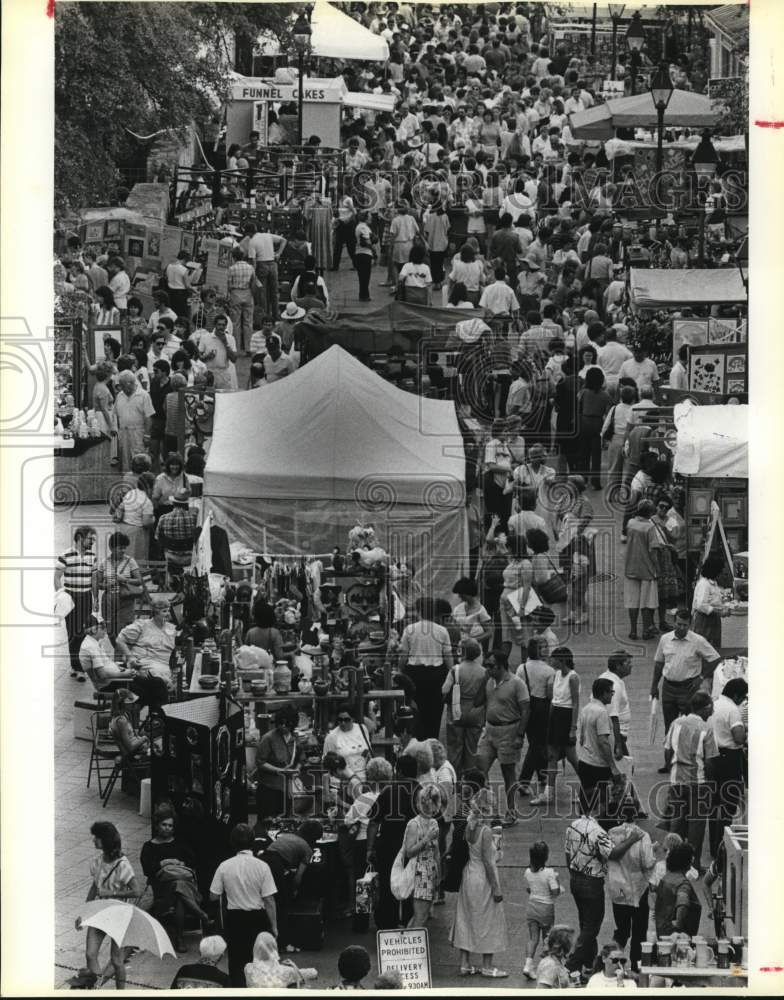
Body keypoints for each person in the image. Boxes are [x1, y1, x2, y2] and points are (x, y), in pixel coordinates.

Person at [449, 768, 509, 978]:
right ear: (487, 807)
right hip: (482, 877)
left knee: (465, 917)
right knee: (489, 920)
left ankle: (464, 963)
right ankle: (487, 965)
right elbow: (490, 862)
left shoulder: (470, 828)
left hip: (468, 874)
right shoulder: (485, 831)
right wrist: (496, 888)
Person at [650, 608, 721, 773]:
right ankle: (668, 763)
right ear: (674, 622)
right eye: (679, 624)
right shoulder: (665, 639)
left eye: (685, 625)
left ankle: (689, 760)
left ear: (690, 625)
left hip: (689, 688)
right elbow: (659, 663)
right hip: (668, 687)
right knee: (670, 726)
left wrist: (702, 677)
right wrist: (654, 686)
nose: (681, 628)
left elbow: (715, 658)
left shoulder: (698, 641)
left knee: (690, 725)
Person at [209, 823, 278, 987]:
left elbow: (213, 896)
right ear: (252, 841)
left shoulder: (224, 866)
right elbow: (269, 900)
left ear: (232, 843)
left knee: (237, 963)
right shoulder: (262, 866)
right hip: (257, 919)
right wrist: (274, 926)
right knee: (260, 961)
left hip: (235, 920)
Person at [75, 822, 140, 989]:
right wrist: (84, 913)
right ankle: (97, 989)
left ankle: (120, 992)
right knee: (90, 954)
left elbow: (136, 890)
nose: (93, 840)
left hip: (119, 915)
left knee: (117, 960)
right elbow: (94, 887)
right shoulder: (97, 862)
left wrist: (113, 894)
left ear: (106, 840)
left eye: (97, 837)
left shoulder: (122, 864)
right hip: (100, 912)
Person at [141, 803, 208, 952]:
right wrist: (163, 863)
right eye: (164, 825)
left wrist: (180, 862)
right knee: (178, 891)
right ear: (157, 825)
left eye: (170, 826)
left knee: (179, 888)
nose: (167, 828)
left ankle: (179, 937)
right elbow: (147, 870)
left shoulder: (180, 843)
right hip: (162, 888)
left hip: (184, 885)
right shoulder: (149, 847)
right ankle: (189, 926)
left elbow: (193, 861)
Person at [474, 647, 530, 827]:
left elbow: (526, 710)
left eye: (490, 666)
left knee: (508, 774)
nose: (487, 669)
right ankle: (490, 808)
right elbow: (477, 702)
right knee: (481, 769)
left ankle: (511, 812)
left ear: (500, 666)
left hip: (509, 730)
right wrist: (483, 681)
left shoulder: (516, 683)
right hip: (489, 730)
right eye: (486, 666)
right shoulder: (489, 682)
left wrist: (520, 735)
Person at [664, 691, 717, 870]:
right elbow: (709, 761)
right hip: (698, 783)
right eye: (711, 707)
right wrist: (711, 783)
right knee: (696, 825)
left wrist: (671, 768)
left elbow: (667, 750)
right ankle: (692, 863)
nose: (712, 710)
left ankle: (673, 860)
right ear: (706, 707)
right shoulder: (706, 729)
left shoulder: (676, 723)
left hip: (676, 779)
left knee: (677, 821)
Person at [366, 754, 420, 930]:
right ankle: (409, 922)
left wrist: (369, 849)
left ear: (399, 771)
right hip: (415, 848)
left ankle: (387, 924)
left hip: (388, 847)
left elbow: (373, 823)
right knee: (411, 886)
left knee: (388, 887)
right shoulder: (423, 792)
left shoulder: (389, 791)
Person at [258, 820, 323, 954]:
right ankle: (283, 943)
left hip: (262, 861)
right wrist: (294, 890)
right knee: (282, 903)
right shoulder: (307, 848)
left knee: (264, 900)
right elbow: (299, 876)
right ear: (314, 838)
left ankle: (264, 939)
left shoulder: (286, 837)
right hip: (276, 865)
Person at [564, 804, 612, 975]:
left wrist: (572, 872)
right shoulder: (599, 832)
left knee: (585, 923)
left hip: (575, 878)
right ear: (596, 808)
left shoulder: (572, 826)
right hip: (592, 881)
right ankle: (572, 963)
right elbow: (612, 854)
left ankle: (588, 963)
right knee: (592, 926)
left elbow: (568, 853)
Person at [341, 756, 391, 919]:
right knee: (382, 879)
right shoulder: (391, 796)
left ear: (370, 776)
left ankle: (361, 918)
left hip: (362, 842)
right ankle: (382, 913)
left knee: (362, 880)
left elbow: (348, 820)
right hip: (383, 842)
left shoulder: (365, 798)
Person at [397, 597, 453, 740]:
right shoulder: (442, 631)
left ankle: (417, 740)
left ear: (419, 611)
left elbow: (404, 655)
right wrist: (452, 675)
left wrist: (399, 672)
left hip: (414, 675)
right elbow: (448, 657)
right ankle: (431, 740)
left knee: (415, 710)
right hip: (436, 675)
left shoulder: (409, 630)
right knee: (434, 711)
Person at [531, 647, 580, 806]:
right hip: (555, 716)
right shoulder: (557, 674)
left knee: (572, 757)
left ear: (561, 660)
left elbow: (575, 702)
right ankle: (548, 794)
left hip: (566, 717)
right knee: (552, 756)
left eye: (554, 659)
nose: (550, 661)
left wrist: (573, 727)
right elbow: (554, 699)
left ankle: (589, 788)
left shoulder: (573, 677)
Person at [606, 819, 656, 972]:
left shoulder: (611, 833)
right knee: (639, 931)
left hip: (618, 890)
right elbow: (647, 863)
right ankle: (635, 966)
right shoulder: (644, 836)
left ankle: (613, 963)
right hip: (637, 890)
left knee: (621, 930)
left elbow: (608, 855)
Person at [709, 678, 748, 859]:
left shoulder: (714, 704)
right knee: (728, 804)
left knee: (714, 803)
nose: (743, 700)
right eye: (743, 696)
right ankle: (722, 847)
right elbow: (739, 738)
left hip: (712, 757)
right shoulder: (732, 709)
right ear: (736, 695)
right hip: (730, 759)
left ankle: (713, 845)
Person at [577, 677, 623, 821]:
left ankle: (583, 822)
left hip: (585, 761)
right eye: (611, 692)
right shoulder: (601, 712)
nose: (612, 695)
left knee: (586, 795)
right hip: (598, 764)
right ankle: (602, 824)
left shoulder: (586, 709)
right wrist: (613, 766)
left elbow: (582, 737)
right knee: (605, 797)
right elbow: (603, 742)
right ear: (603, 693)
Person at [55, 525, 97, 680]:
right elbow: (56, 577)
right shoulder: (66, 555)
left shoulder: (92, 556)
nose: (92, 542)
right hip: (71, 597)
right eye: (90, 539)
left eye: (93, 539)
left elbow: (93, 579)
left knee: (81, 632)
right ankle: (77, 667)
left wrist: (95, 598)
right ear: (80, 538)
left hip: (86, 597)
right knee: (72, 632)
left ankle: (76, 666)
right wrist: (61, 596)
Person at [441, 637, 487, 775]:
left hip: (457, 711)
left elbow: (444, 690)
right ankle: (470, 778)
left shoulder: (456, 670)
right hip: (476, 713)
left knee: (454, 748)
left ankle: (455, 777)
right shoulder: (484, 671)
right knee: (472, 748)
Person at [516, 636, 555, 796]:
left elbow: (518, 687)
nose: (546, 649)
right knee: (537, 744)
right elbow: (550, 694)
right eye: (543, 646)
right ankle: (524, 781)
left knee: (535, 742)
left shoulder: (522, 667)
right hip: (542, 707)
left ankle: (542, 775)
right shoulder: (549, 671)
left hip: (525, 705)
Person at [115, 596, 176, 696]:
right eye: (164, 611)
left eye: (168, 611)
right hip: (143, 663)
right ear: (155, 613)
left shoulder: (171, 629)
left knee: (168, 679)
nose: (168, 614)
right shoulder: (142, 625)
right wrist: (130, 658)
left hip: (162, 665)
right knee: (159, 679)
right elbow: (120, 640)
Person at [402, 783, 441, 928]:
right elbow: (409, 851)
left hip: (430, 872)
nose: (429, 806)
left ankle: (409, 946)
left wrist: (439, 877)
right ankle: (410, 948)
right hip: (419, 872)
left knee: (421, 916)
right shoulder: (414, 824)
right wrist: (426, 839)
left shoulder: (434, 823)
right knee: (420, 916)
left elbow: (436, 852)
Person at [624, 499, 662, 640]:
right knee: (647, 602)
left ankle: (633, 630)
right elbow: (653, 551)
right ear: (650, 513)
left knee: (632, 602)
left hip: (631, 567)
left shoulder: (631, 523)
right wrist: (657, 568)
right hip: (647, 569)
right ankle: (646, 630)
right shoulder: (650, 527)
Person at [523, 841, 562, 979]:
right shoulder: (550, 873)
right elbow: (556, 892)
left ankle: (528, 965)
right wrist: (557, 880)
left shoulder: (527, 872)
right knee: (547, 939)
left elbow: (530, 888)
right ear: (546, 856)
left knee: (533, 938)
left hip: (532, 907)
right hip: (546, 909)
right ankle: (545, 968)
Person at [255, 704, 301, 823]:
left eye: (287, 724)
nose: (283, 726)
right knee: (267, 823)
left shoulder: (295, 739)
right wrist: (279, 770)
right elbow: (260, 762)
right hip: (269, 789)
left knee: (284, 822)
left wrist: (297, 770)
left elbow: (301, 759)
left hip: (286, 789)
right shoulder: (268, 738)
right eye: (281, 723)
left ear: (293, 724)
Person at [95, 531, 145, 638]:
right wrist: (107, 585)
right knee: (110, 631)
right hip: (109, 602)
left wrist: (125, 580)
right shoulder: (104, 563)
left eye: (124, 547)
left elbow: (139, 581)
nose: (123, 550)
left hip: (126, 600)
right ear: (112, 548)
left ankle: (120, 653)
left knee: (125, 632)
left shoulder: (130, 561)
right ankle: (118, 652)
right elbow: (98, 584)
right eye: (120, 548)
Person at [653, 842, 702, 937]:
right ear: (685, 861)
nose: (693, 860)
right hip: (679, 938)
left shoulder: (666, 878)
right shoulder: (683, 884)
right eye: (691, 857)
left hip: (662, 932)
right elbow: (683, 904)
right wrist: (678, 926)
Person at [155, 488, 199, 588]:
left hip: (171, 558)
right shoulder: (194, 518)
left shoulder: (163, 518)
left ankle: (171, 583)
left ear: (173, 503)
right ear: (187, 504)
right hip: (190, 558)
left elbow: (158, 538)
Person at [114, 369, 154, 471]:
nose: (121, 388)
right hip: (124, 433)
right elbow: (117, 415)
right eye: (121, 385)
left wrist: (147, 435)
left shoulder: (144, 395)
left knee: (139, 460)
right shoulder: (120, 396)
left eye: (123, 385)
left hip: (138, 433)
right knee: (125, 461)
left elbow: (148, 416)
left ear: (130, 383)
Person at [246, 224, 287, 320]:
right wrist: (278, 254)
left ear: (249, 233)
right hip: (273, 264)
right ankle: (276, 315)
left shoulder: (252, 242)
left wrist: (253, 275)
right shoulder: (268, 235)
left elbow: (253, 261)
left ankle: (265, 316)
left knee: (262, 293)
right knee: (274, 291)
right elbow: (284, 240)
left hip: (261, 265)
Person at [323, 704, 371, 784]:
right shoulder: (331, 737)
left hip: (365, 779)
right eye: (340, 720)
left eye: (346, 719)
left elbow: (368, 751)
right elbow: (327, 762)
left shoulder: (362, 729)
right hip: (344, 781)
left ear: (353, 718)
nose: (343, 723)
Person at [691, 554, 731, 648]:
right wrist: (719, 612)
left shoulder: (713, 583)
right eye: (721, 571)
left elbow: (714, 600)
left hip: (713, 619)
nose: (722, 574)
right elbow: (701, 605)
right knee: (704, 646)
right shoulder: (704, 584)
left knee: (713, 646)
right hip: (704, 621)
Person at [227, 248, 256, 354]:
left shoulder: (231, 268)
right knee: (248, 322)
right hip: (248, 293)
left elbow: (229, 284)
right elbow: (253, 282)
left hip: (235, 293)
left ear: (234, 257)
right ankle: (248, 347)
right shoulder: (250, 267)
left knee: (236, 322)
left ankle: (237, 348)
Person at [451, 577, 493, 648]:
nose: (459, 596)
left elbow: (489, 633)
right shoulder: (458, 609)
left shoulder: (481, 611)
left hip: (474, 648)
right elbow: (453, 626)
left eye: (461, 594)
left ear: (468, 593)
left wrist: (473, 640)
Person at [198, 314, 237, 390]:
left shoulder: (230, 338)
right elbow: (199, 357)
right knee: (208, 399)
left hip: (223, 374)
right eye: (219, 324)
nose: (221, 327)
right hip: (208, 374)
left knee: (224, 400)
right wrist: (207, 357)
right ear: (215, 325)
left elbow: (234, 359)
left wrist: (225, 342)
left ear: (226, 326)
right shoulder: (205, 337)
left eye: (223, 325)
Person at [354, 210, 376, 301]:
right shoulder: (362, 227)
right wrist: (374, 251)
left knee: (364, 276)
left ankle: (364, 294)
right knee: (364, 276)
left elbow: (372, 238)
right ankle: (364, 295)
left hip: (362, 253)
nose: (371, 218)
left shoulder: (364, 227)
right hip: (364, 254)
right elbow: (366, 242)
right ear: (365, 218)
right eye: (370, 217)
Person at [165, 251, 193, 319]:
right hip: (181, 294)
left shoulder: (169, 266)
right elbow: (187, 286)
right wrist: (195, 290)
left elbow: (166, 277)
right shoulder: (184, 269)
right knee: (181, 314)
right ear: (184, 259)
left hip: (170, 292)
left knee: (171, 313)